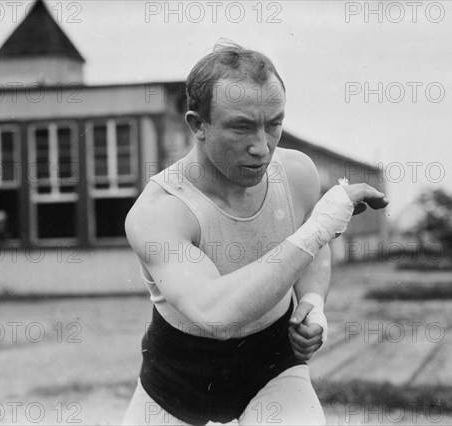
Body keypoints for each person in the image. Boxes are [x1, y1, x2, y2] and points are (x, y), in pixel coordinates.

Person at [123, 41, 388, 425]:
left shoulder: (296, 172)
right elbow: (217, 314)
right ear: (198, 125)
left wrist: (312, 302)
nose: (262, 148)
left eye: (274, 124)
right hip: (176, 386)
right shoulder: (160, 212)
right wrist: (317, 230)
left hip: (273, 368)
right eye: (241, 127)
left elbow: (315, 248)